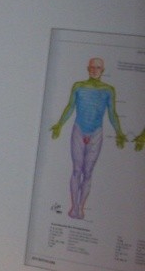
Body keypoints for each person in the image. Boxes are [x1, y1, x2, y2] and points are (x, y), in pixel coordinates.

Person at [50, 57, 126, 219]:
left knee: (88, 172)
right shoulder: (78, 86)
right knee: (76, 169)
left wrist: (119, 133)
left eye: (97, 68)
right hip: (78, 130)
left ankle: (81, 208)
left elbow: (112, 113)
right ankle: (74, 207)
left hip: (96, 133)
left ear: (102, 70)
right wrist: (59, 124)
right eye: (92, 67)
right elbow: (70, 107)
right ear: (87, 69)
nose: (94, 70)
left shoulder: (109, 90)